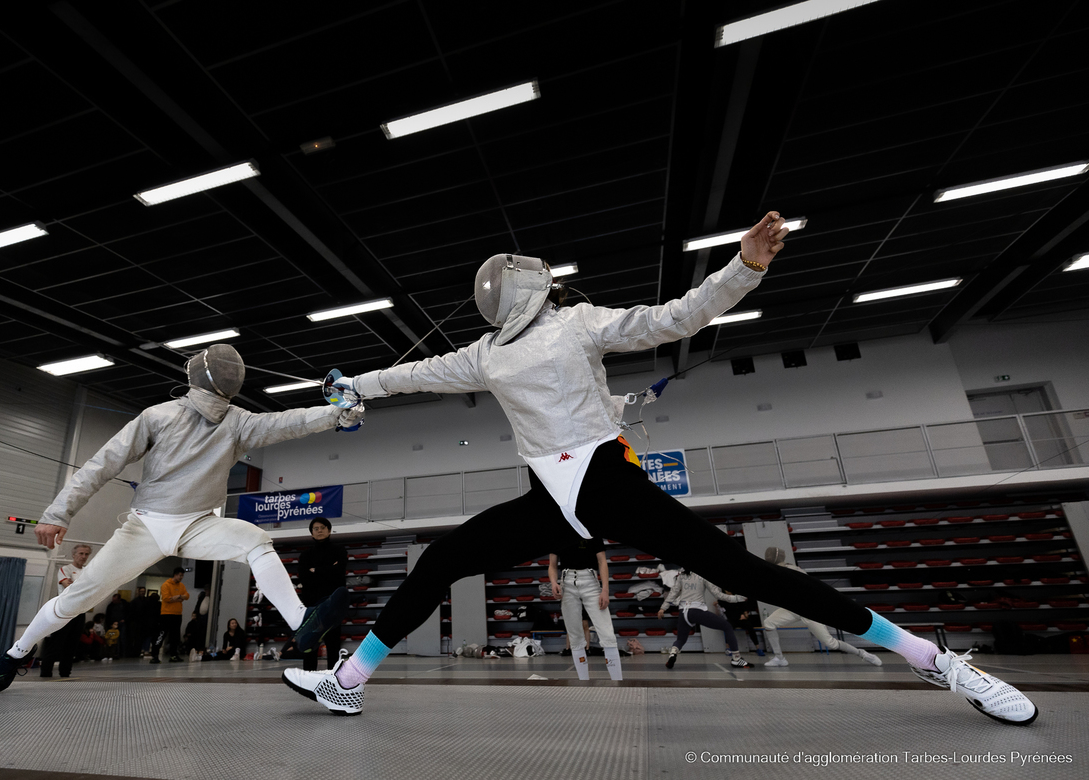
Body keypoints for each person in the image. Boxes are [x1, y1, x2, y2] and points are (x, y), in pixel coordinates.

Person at [282, 213, 1037, 726]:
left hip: (611, 484)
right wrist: (358, 385)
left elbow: (671, 318)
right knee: (444, 557)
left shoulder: (579, 324)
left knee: (749, 574)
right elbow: (415, 374)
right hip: (549, 500)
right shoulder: (484, 354)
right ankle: (348, 683)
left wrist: (741, 270)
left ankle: (935, 662)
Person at [0, 344, 361, 695]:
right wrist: (338, 414)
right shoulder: (190, 419)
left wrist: (58, 513)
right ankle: (17, 653)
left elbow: (100, 465)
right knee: (79, 597)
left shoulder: (178, 415)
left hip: (194, 524)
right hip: (146, 529)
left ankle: (301, 622)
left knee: (254, 540)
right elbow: (291, 422)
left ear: (195, 376)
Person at [759, 547, 881, 668]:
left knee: (830, 644)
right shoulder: (776, 571)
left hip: (810, 610)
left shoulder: (793, 570)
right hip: (793, 608)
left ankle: (863, 654)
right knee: (769, 623)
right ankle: (779, 658)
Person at [549, 537, 621, 680]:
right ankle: (583, 682)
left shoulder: (591, 531)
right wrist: (553, 583)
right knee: (575, 635)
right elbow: (552, 565)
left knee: (607, 634)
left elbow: (602, 561)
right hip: (567, 582)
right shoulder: (557, 533)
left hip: (590, 581)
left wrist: (605, 590)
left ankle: (618, 681)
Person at [657, 568, 752, 669]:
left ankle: (673, 653)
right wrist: (739, 598)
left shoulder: (682, 575)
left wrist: (662, 609)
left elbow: (673, 593)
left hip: (683, 612)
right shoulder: (703, 576)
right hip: (696, 611)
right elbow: (719, 595)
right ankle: (736, 659)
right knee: (727, 626)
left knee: (681, 639)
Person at [297, 518, 348, 670]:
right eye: (315, 528)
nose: (319, 530)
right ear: (311, 533)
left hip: (333, 606)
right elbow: (305, 579)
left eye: (322, 527)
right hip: (311, 607)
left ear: (329, 530)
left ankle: (333, 679)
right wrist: (329, 570)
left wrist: (316, 570)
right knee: (310, 645)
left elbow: (339, 574)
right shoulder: (305, 555)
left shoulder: (339, 550)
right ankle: (308, 677)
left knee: (333, 645)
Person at [38, 544, 92, 679]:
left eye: (86, 554)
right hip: (64, 610)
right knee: (56, 643)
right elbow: (68, 586)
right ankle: (46, 673)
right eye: (81, 553)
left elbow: (91, 588)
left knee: (72, 644)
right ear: (74, 555)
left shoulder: (88, 571)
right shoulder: (65, 569)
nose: (83, 557)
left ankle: (65, 673)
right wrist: (82, 587)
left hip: (79, 612)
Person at [156, 568, 189, 663]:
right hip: (166, 614)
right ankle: (155, 654)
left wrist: (176, 597)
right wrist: (179, 597)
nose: (181, 577)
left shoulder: (181, 585)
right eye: (180, 575)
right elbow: (166, 598)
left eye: (182, 575)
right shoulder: (166, 585)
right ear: (175, 575)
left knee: (175, 636)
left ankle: (173, 655)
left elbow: (186, 596)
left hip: (177, 614)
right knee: (162, 634)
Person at [105, 593, 129, 658]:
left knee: (122, 638)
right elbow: (108, 616)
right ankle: (114, 653)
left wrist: (125, 620)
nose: (113, 601)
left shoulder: (124, 604)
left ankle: (122, 653)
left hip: (121, 623)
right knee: (113, 639)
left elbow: (128, 613)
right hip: (113, 624)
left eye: (115, 600)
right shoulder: (110, 606)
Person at [128, 586, 149, 657]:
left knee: (140, 639)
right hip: (136, 623)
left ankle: (138, 651)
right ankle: (134, 652)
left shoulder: (146, 601)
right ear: (139, 592)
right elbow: (131, 613)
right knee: (136, 638)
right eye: (141, 591)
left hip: (143, 623)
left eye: (143, 591)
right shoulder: (135, 601)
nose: (142, 592)